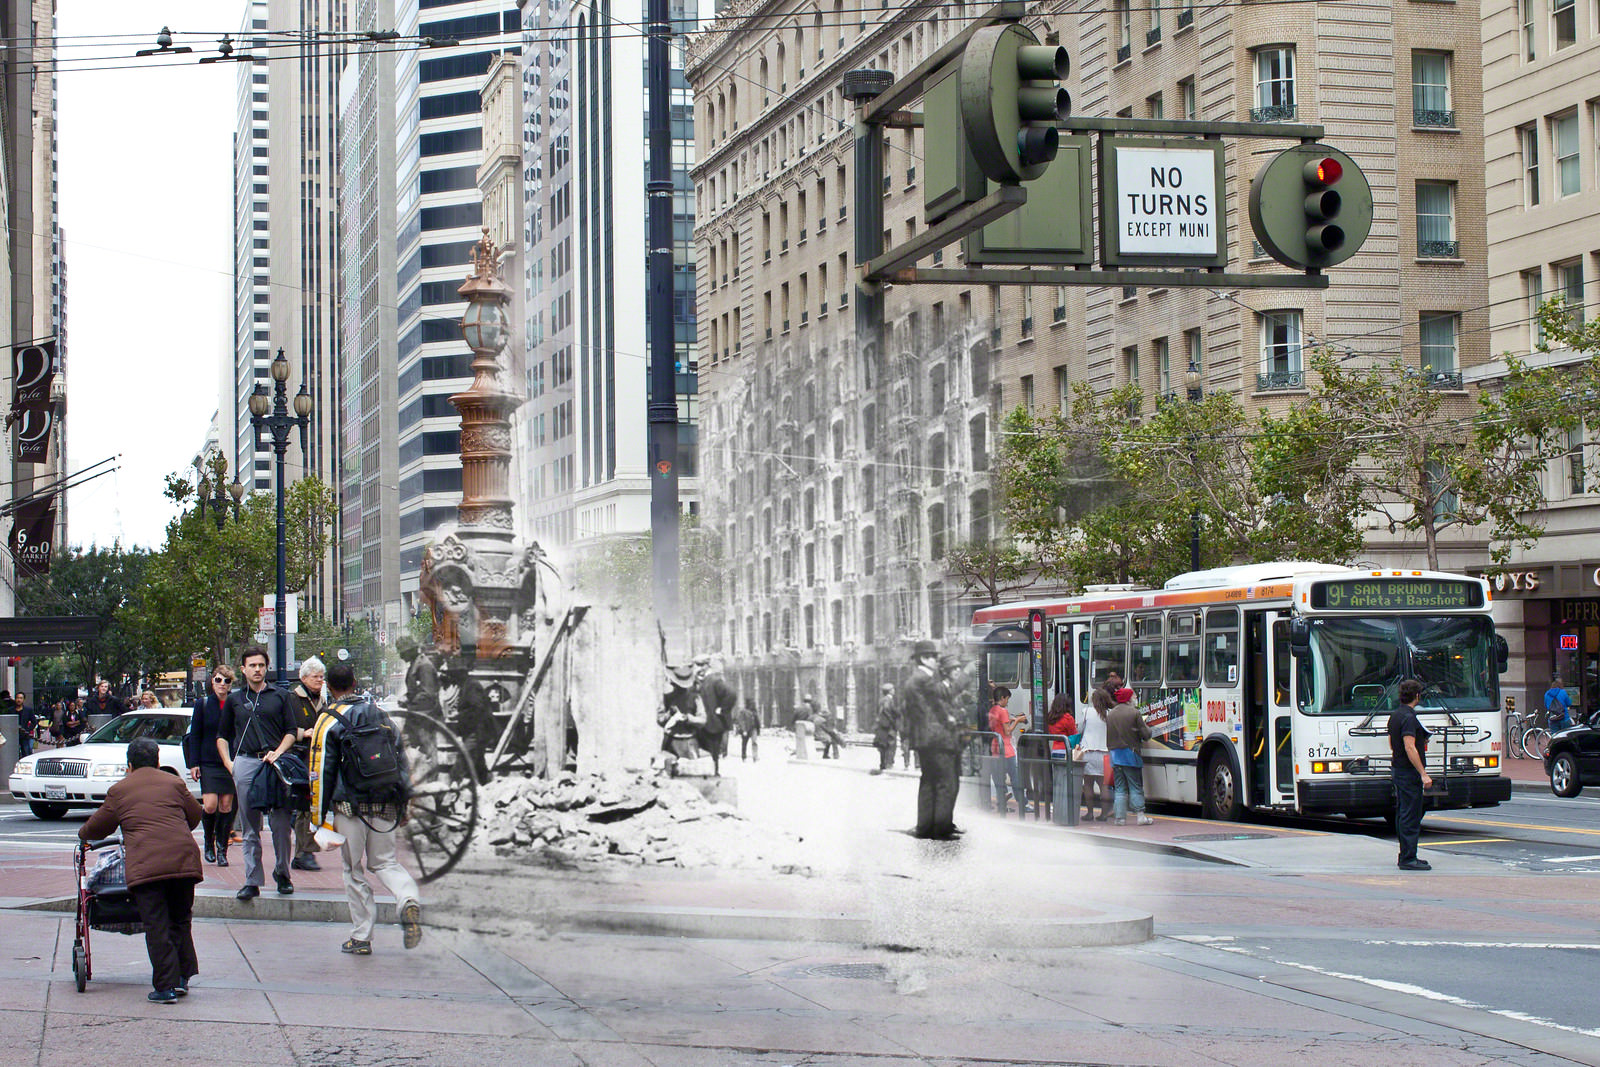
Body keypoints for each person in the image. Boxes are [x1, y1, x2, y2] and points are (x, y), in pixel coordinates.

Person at [309, 661, 422, 955]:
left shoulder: (327, 720)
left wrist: (317, 818)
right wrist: (406, 800)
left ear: (328, 687)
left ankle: (361, 937)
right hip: (385, 803)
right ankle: (407, 899)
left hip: (349, 808)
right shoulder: (380, 715)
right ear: (355, 682)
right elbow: (401, 759)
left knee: (353, 870)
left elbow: (320, 772)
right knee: (385, 862)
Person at [78, 737, 203, 1003]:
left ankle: (165, 987)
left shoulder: (120, 790)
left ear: (130, 764)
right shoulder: (175, 783)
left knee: (156, 924)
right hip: (183, 861)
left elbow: (99, 827)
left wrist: (83, 835)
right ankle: (182, 978)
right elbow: (195, 815)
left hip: (148, 866)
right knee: (180, 920)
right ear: (157, 761)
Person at [217, 646, 298, 901]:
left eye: (261, 665)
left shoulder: (281, 696)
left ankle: (283, 874)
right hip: (246, 763)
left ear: (267, 667)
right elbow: (222, 736)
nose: (257, 670)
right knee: (250, 826)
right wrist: (231, 764)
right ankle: (252, 880)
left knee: (281, 823)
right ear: (243, 669)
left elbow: (292, 731)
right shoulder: (235, 700)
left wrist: (279, 751)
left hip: (275, 764)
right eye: (252, 665)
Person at [904, 641, 962, 839]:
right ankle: (941, 828)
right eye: (933, 657)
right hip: (937, 737)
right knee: (946, 782)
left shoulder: (913, 679)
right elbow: (944, 696)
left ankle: (925, 827)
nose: (937, 661)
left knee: (928, 781)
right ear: (923, 658)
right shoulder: (925, 679)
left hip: (924, 738)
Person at [183, 666, 238, 866]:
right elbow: (195, 735)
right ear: (212, 681)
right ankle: (209, 842)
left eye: (227, 681)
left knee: (226, 806)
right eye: (218, 680)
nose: (222, 684)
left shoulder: (235, 704)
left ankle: (223, 849)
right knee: (210, 805)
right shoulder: (203, 704)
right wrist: (194, 763)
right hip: (208, 761)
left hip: (230, 762)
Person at [286, 657, 328, 872]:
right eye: (315, 677)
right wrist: (304, 733)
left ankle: (303, 853)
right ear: (303, 678)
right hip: (300, 758)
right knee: (305, 806)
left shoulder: (322, 699)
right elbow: (285, 728)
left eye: (322, 677)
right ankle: (305, 853)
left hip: (317, 759)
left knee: (311, 806)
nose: (320, 680)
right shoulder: (293, 699)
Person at [1388, 678, 1433, 871]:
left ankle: (1406, 854)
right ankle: (1408, 858)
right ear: (1417, 696)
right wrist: (1423, 773)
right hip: (1408, 772)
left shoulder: (1396, 715)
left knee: (1403, 813)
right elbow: (1410, 746)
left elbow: (1391, 742)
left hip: (1398, 769)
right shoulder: (1409, 718)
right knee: (1410, 815)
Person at [1105, 687, 1154, 826]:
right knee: (1135, 786)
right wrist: (1148, 729)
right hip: (1130, 755)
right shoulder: (1134, 713)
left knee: (1120, 788)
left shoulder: (1111, 714)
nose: (1135, 698)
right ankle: (1140, 815)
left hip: (1115, 756)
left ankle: (1120, 818)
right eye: (1133, 696)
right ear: (1128, 698)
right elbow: (1145, 734)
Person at [987, 686, 1028, 815]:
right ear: (1003, 698)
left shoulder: (993, 710)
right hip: (1006, 749)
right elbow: (1007, 731)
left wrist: (1010, 720)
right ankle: (1023, 804)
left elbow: (998, 725)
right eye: (1007, 699)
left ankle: (1002, 805)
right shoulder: (1003, 711)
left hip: (995, 748)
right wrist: (1017, 721)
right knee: (1015, 778)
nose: (1008, 702)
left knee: (999, 779)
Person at [1079, 689, 1112, 821]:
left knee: (1088, 784)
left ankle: (1090, 813)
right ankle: (1104, 814)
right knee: (1103, 785)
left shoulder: (1086, 712)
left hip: (1088, 752)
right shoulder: (1109, 714)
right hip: (1104, 753)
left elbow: (1080, 729)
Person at [870, 683, 898, 774]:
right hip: (888, 726)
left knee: (883, 745)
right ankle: (888, 763)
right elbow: (887, 711)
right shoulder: (888, 700)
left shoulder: (881, 700)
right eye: (893, 689)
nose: (894, 691)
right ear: (890, 691)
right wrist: (893, 721)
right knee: (891, 744)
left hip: (881, 726)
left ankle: (883, 763)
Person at [14, 692, 37, 758]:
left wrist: (28, 729)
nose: (19, 700)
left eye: (21, 698)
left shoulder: (28, 710)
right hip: (14, 735)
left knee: (26, 753)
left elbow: (34, 721)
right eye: (17, 698)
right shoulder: (11, 710)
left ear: (23, 699)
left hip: (24, 735)